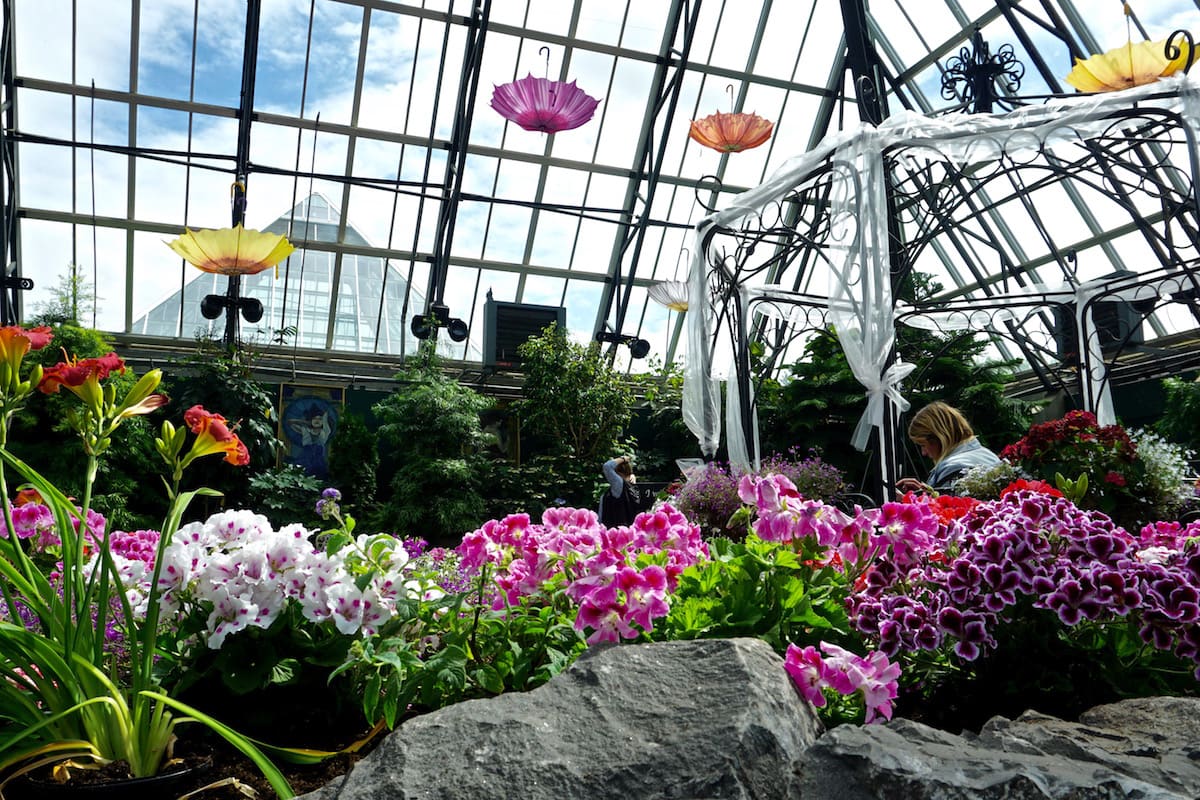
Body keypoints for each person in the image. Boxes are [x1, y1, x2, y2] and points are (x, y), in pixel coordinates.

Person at [895, 401, 1001, 495]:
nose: (923, 453)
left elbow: (946, 512)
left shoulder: (952, 468)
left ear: (939, 438)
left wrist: (906, 503)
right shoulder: (988, 455)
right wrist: (925, 493)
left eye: (923, 445)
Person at [599, 455, 644, 527]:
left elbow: (607, 466)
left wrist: (623, 459)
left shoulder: (619, 485)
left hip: (615, 532)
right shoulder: (632, 487)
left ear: (617, 472)